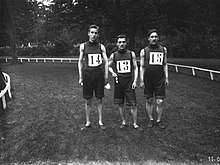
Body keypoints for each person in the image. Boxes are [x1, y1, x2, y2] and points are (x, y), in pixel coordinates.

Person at [108, 34, 143, 131]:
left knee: (133, 104)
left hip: (129, 82)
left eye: (123, 42)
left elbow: (136, 68)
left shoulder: (131, 54)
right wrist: (113, 72)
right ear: (117, 44)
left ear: (126, 43)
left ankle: (135, 124)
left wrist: (135, 81)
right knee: (120, 103)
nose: (121, 44)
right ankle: (123, 122)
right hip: (119, 82)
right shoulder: (114, 55)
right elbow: (108, 65)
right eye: (119, 42)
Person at [78, 24, 108, 130]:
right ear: (88, 33)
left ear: (98, 35)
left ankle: (100, 121)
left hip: (99, 76)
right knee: (88, 100)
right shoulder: (83, 46)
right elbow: (80, 61)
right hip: (87, 75)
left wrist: (106, 76)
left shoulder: (101, 47)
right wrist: (81, 76)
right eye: (92, 32)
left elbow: (106, 61)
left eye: (95, 33)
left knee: (99, 99)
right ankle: (88, 122)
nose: (94, 35)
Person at [139, 29, 169, 129]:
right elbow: (142, 66)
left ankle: (159, 120)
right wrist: (142, 80)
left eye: (156, 36)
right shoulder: (144, 51)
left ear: (158, 38)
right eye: (152, 37)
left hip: (159, 79)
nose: (154, 38)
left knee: (160, 101)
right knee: (149, 100)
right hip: (148, 78)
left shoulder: (163, 49)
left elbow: (165, 64)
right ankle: (151, 119)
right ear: (148, 39)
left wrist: (167, 77)